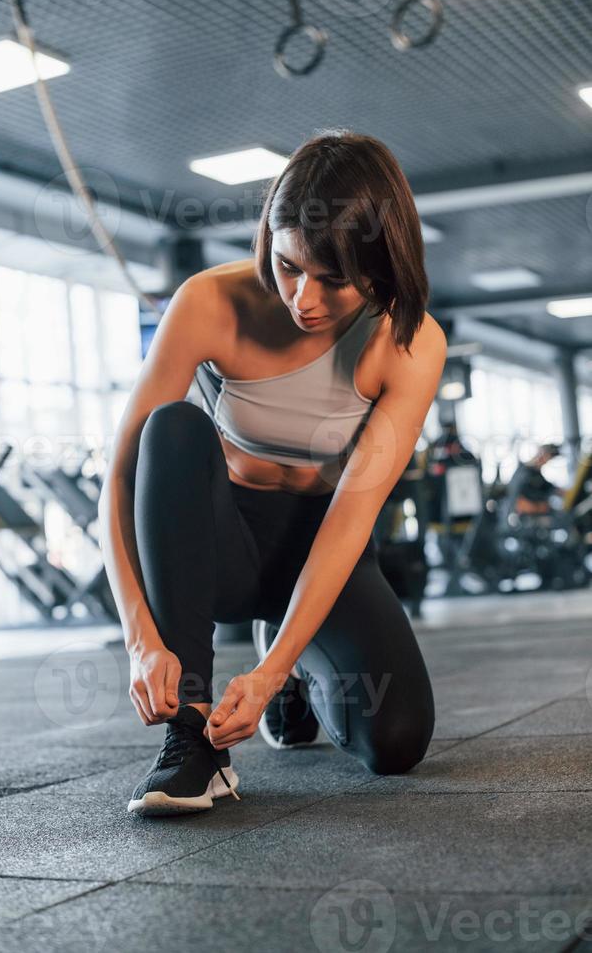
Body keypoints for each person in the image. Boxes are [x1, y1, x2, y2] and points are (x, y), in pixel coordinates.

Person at [98, 128, 448, 816]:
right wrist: (142, 642)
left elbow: (352, 517)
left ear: (380, 270)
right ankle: (192, 745)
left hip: (321, 546)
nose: (304, 299)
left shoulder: (409, 344)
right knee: (169, 430)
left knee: (398, 741)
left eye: (333, 279)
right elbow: (119, 482)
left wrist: (271, 670)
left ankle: (292, 670)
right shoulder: (209, 303)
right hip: (218, 547)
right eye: (289, 266)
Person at [502, 443, 565, 520]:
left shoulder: (538, 477)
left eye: (547, 457)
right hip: (521, 520)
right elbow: (519, 502)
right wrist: (537, 507)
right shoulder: (523, 473)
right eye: (543, 454)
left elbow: (551, 489)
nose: (543, 458)